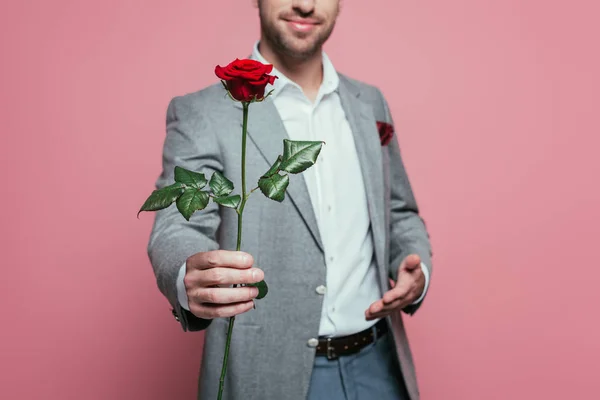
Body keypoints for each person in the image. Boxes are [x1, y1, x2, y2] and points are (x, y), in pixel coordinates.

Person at [147, 1, 433, 399]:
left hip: (380, 363)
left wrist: (414, 268)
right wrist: (187, 276)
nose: (305, 3)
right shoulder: (203, 113)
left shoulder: (370, 102)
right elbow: (179, 225)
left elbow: (399, 212)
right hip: (267, 372)